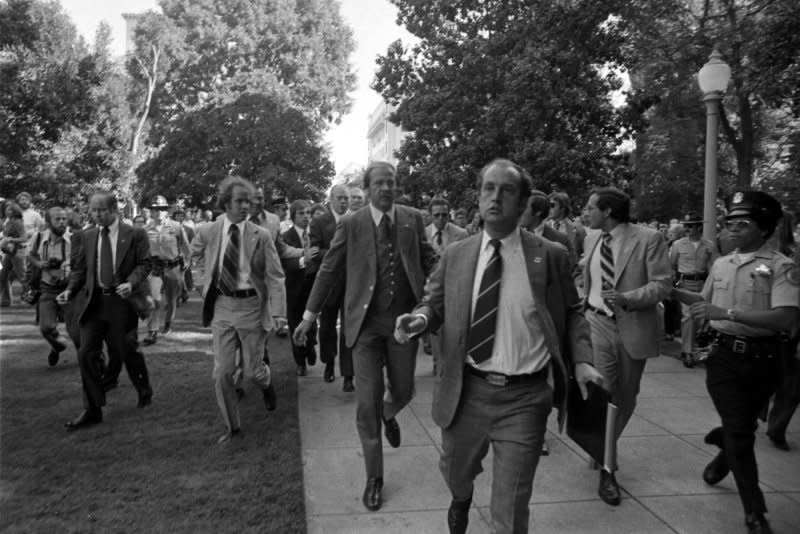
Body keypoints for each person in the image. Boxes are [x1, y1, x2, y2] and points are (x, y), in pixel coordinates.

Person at [395, 159, 603, 534]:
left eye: (507, 190)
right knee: (455, 471)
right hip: (467, 390)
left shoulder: (548, 255)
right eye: (488, 188)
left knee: (511, 505)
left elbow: (573, 312)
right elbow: (434, 302)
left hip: (525, 398)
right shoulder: (457, 254)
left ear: (523, 202)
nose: (495, 197)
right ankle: (461, 497)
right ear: (478, 197)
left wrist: (583, 361)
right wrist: (421, 319)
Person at [293, 161, 438, 511]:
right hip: (365, 327)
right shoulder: (352, 223)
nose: (386, 189)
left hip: (403, 324)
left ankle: (390, 413)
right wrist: (309, 316)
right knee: (366, 403)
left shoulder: (412, 218)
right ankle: (374, 476)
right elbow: (328, 269)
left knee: (404, 390)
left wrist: (442, 285)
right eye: (380, 183)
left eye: (391, 183)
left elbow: (430, 257)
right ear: (368, 188)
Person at [673, 191, 798, 534]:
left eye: (742, 224)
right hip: (723, 358)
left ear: (765, 229)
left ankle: (722, 451)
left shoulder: (781, 267)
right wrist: (669, 292)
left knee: (739, 428)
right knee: (741, 430)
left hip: (765, 359)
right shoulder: (721, 263)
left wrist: (725, 312)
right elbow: (703, 301)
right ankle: (755, 511)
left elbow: (785, 319)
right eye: (729, 223)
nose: (732, 230)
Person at [582, 187, 671, 506]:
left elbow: (662, 284)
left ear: (606, 211)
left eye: (590, 207)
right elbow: (587, 278)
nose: (585, 212)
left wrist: (628, 299)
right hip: (595, 323)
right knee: (604, 393)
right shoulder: (590, 239)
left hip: (632, 326)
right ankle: (608, 467)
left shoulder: (648, 239)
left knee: (626, 396)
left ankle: (604, 445)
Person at [190, 176, 286, 445]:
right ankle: (233, 428)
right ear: (225, 204)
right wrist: (201, 284)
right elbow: (192, 257)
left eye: (249, 201)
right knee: (221, 372)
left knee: (253, 372)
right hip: (221, 306)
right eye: (240, 201)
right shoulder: (209, 230)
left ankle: (266, 383)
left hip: (251, 308)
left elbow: (275, 275)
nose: (246, 206)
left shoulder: (261, 235)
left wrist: (278, 313)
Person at [57, 191, 153, 430]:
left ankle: (143, 389)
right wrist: (70, 290)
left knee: (127, 350)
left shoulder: (135, 234)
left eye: (101, 210)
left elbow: (145, 263)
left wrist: (130, 283)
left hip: (121, 302)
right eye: (93, 210)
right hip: (95, 303)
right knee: (86, 353)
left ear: (114, 210)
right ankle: (93, 409)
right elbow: (80, 270)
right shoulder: (86, 236)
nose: (96, 215)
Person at [308, 184, 354, 389]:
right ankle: (329, 362)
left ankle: (348, 375)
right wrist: (338, 254)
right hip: (329, 284)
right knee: (327, 327)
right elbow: (315, 252)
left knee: (349, 329)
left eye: (346, 198)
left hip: (352, 283)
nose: (344, 201)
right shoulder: (319, 222)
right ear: (331, 199)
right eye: (340, 198)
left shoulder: (357, 220)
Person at [25, 207, 79, 366]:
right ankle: (58, 346)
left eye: (64, 218)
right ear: (48, 222)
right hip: (47, 288)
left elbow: (82, 262)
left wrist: (67, 266)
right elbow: (30, 254)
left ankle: (93, 358)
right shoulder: (39, 237)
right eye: (58, 219)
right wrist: (39, 264)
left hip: (70, 289)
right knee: (46, 328)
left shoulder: (75, 238)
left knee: (76, 332)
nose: (62, 222)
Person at [765, 210, 800, 451]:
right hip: (782, 321)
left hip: (782, 321)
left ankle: (775, 423)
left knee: (788, 380)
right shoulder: (781, 257)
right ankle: (774, 424)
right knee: (788, 380)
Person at [669, 212, 717, 366]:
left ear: (698, 227)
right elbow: (671, 265)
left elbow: (716, 266)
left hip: (703, 285)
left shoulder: (709, 245)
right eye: (686, 226)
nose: (687, 229)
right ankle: (687, 352)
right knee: (688, 316)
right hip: (685, 284)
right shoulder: (678, 244)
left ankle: (696, 348)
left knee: (700, 317)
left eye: (690, 226)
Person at [142, 196, 190, 345]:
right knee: (155, 300)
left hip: (172, 267)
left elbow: (185, 245)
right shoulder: (145, 230)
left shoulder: (175, 226)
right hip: (155, 268)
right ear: (151, 212)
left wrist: (186, 262)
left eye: (162, 209)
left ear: (166, 210)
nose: (159, 212)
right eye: (156, 209)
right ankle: (153, 331)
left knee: (171, 300)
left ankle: (168, 323)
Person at [281, 200, 318, 376]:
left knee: (311, 320)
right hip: (294, 287)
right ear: (293, 215)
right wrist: (304, 260)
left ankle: (310, 344)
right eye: (301, 213)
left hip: (313, 286)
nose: (306, 217)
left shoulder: (316, 235)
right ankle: (300, 361)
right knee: (295, 323)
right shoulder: (285, 237)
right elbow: (285, 262)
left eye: (308, 213)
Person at [0, 202, 29, 306]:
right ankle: (5, 300)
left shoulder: (17, 222)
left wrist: (10, 239)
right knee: (3, 276)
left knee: (22, 276)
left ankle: (30, 297)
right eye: (6, 209)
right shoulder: (9, 222)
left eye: (9, 209)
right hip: (9, 252)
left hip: (17, 252)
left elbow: (24, 238)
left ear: (14, 211)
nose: (6, 211)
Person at [548, 191, 586, 259]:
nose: (549, 208)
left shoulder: (578, 230)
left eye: (552, 205)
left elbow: (584, 255)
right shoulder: (541, 228)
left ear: (563, 208)